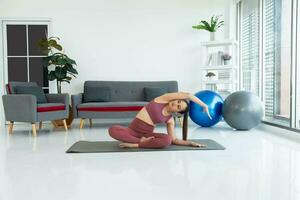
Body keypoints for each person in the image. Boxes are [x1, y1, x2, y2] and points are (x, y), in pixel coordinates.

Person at [108, 92, 211, 149]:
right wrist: (204, 105)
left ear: (178, 112)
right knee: (112, 129)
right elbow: (188, 95)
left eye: (178, 106)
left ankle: (135, 144)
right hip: (131, 131)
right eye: (178, 101)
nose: (175, 103)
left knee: (167, 140)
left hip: (147, 136)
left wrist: (190, 143)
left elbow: (174, 140)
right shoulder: (162, 99)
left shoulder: (170, 119)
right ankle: (140, 142)